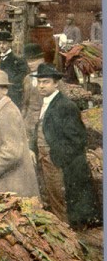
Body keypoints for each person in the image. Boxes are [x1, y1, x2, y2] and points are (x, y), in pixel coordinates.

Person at [32, 63, 101, 228]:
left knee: (60, 199)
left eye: (46, 82)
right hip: (45, 160)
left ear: (56, 83)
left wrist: (57, 158)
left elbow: (78, 139)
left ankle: (65, 232)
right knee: (51, 197)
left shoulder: (65, 105)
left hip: (57, 162)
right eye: (39, 82)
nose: (41, 86)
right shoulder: (46, 102)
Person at [0, 70, 40, 197]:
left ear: (5, 90)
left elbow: (12, 151)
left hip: (11, 180)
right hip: (7, 178)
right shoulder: (0, 108)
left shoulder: (8, 112)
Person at [0, 30, 29, 108]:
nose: (1, 46)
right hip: (1, 95)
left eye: (4, 43)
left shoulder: (17, 60)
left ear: (10, 44)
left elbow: (21, 77)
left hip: (13, 95)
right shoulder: (0, 59)